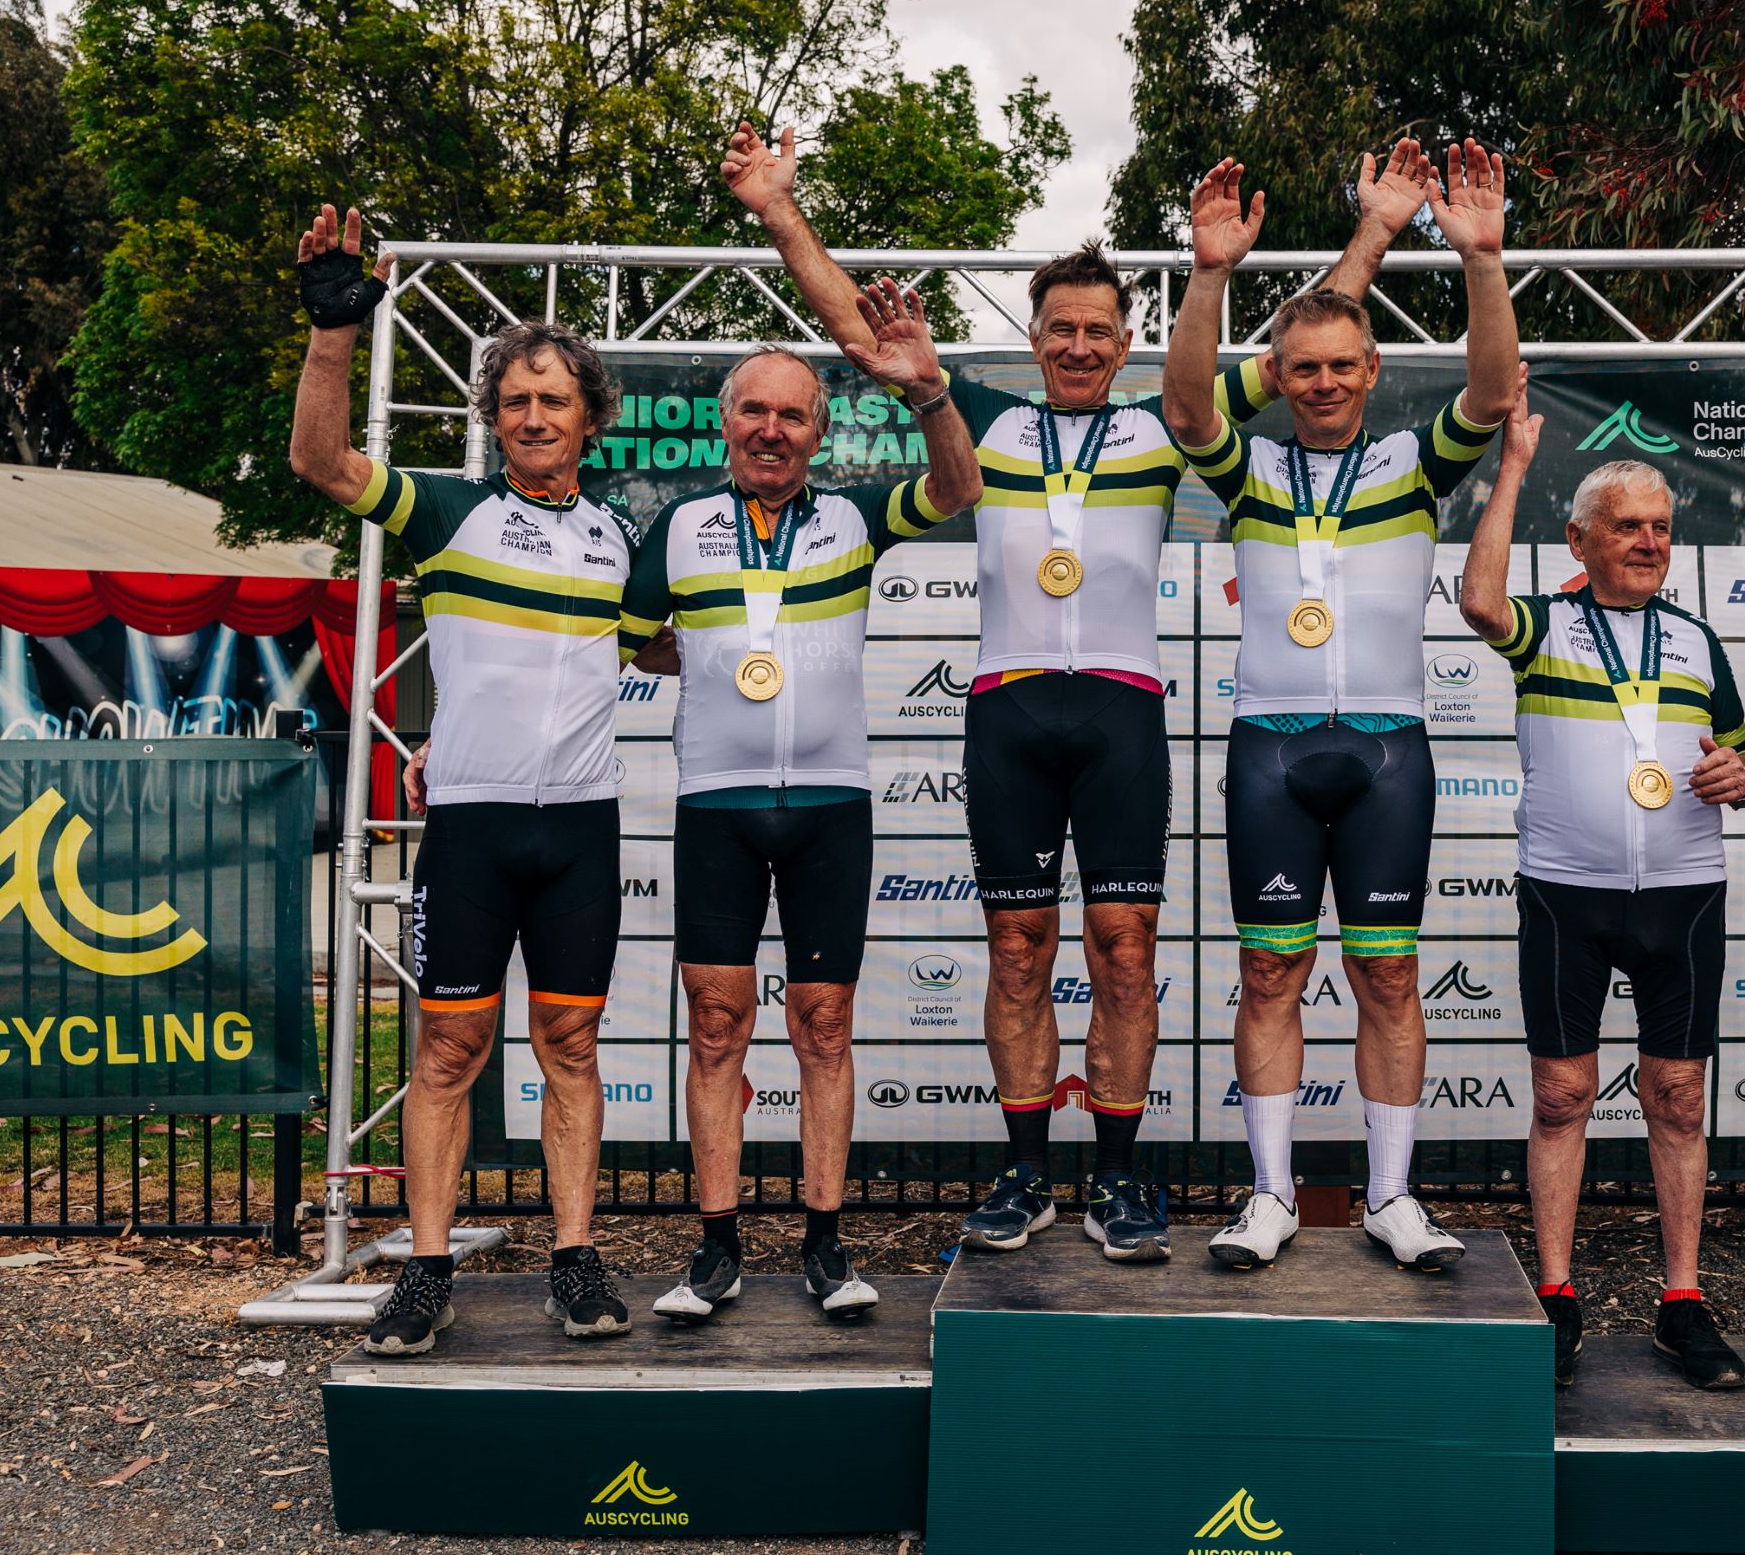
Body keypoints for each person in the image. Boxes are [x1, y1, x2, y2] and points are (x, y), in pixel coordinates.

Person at [729, 122, 1431, 1261]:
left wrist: (1374, 231)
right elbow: (863, 335)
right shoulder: (988, 422)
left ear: (1124, 342)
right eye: (1058, 329)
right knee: (1015, 948)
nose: (1077, 346)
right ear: (1034, 335)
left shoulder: (1167, 427)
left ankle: (1116, 1174)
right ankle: (1022, 1169)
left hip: (1118, 711)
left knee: (1122, 943)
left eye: (1098, 332)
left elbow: (1316, 340)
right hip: (1007, 709)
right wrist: (777, 211)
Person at [288, 204, 642, 1355]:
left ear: (590, 417)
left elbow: (677, 644)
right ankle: (426, 1268)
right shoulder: (450, 510)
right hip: (476, 830)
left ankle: (576, 1260)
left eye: (555, 398)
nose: (533, 415)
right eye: (514, 400)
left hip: (583, 827)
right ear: (491, 418)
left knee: (574, 1047)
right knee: (447, 1048)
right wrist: (335, 332)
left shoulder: (621, 543)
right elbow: (320, 462)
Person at [1162, 143, 1518, 1269]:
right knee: (1268, 969)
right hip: (1268, 745)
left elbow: (1494, 390)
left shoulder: (1416, 463)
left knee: (1387, 971)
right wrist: (1208, 275)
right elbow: (1180, 404)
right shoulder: (1246, 471)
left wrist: (1481, 259)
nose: (1319, 382)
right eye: (1300, 367)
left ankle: (1389, 1197)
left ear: (1370, 371)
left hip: (1386, 753)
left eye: (1339, 366)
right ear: (1280, 372)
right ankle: (1269, 1195)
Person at [616, 283, 980, 1324]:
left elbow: (956, 490)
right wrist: (706, 655)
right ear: (725, 421)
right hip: (717, 805)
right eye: (754, 411)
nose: (771, 430)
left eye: (793, 414)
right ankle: (716, 1247)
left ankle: (826, 1242)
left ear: (819, 432)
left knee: (823, 1024)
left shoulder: (857, 515)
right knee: (716, 1025)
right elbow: (632, 636)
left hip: (831, 805)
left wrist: (925, 394)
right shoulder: (679, 527)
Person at [1459, 376, 1745, 1386]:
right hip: (1564, 892)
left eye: (1659, 527)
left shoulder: (1699, 640)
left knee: (1675, 1098)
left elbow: (1744, 760)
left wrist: (1739, 772)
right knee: (1559, 1094)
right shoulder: (1541, 626)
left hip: (1681, 895)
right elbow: (1476, 600)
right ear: (1580, 540)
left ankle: (1682, 1297)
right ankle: (1554, 1291)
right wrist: (1508, 470)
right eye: (1624, 526)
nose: (1646, 541)